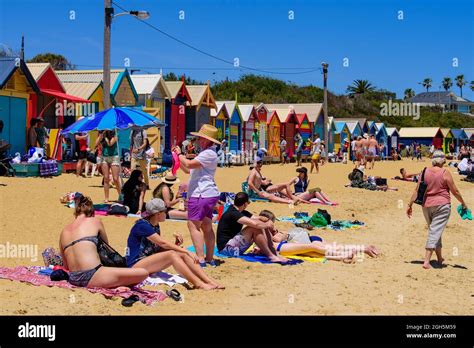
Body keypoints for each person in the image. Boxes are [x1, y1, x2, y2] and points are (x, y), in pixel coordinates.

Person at [127, 199, 224, 290]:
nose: (166, 213)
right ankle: (199, 284)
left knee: (180, 253)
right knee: (173, 254)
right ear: (158, 214)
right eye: (165, 211)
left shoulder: (155, 225)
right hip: (135, 266)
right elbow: (162, 243)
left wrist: (177, 246)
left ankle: (208, 280)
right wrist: (186, 250)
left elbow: (157, 249)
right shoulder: (142, 226)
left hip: (147, 261)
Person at [59, 195, 148, 288]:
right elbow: (106, 247)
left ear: (76, 213)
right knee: (143, 273)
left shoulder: (64, 231)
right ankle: (116, 285)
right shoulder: (95, 221)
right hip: (93, 275)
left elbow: (66, 266)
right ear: (91, 212)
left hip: (74, 278)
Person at [407, 151, 468, 269]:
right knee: (435, 231)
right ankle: (426, 261)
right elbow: (455, 191)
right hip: (442, 205)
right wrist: (463, 203)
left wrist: (409, 205)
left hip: (426, 206)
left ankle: (440, 258)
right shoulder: (445, 172)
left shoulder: (424, 171)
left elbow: (416, 190)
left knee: (435, 230)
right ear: (443, 161)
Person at [172, 124, 221, 267]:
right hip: (208, 193)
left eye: (200, 138)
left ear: (206, 140)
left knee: (193, 225)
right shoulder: (208, 153)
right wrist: (178, 158)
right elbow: (188, 169)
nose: (198, 140)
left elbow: (188, 164)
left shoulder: (208, 154)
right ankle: (209, 258)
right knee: (206, 226)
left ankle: (201, 259)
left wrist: (180, 155)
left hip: (201, 193)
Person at [258, 210, 379, 262]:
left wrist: (283, 233)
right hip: (280, 247)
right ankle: (343, 255)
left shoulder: (271, 230)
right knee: (315, 248)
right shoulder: (266, 232)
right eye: (271, 223)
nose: (273, 225)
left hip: (289, 243)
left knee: (326, 246)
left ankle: (363, 248)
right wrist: (283, 234)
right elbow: (276, 239)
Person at [216, 192, 288, 263]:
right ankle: (271, 256)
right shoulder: (233, 213)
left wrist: (267, 221)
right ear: (245, 204)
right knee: (254, 228)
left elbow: (258, 218)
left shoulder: (240, 211)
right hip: (226, 249)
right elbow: (255, 224)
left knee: (262, 225)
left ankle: (274, 253)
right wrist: (268, 224)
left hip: (232, 246)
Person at [99, 130, 122, 203]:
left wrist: (105, 137)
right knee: (106, 178)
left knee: (115, 178)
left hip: (114, 157)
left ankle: (121, 196)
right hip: (104, 157)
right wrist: (101, 135)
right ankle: (106, 198)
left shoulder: (116, 133)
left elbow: (110, 144)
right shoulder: (102, 134)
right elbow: (96, 143)